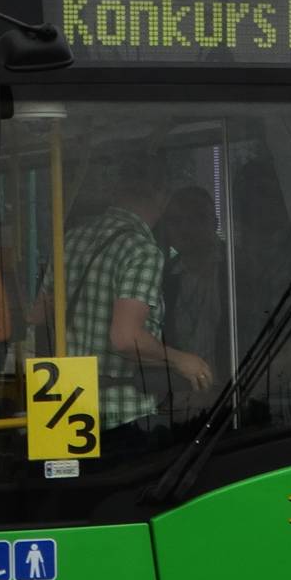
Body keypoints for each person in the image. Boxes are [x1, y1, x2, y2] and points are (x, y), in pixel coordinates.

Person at [42, 154, 213, 454]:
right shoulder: (141, 250)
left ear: (117, 189)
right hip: (120, 415)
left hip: (63, 408)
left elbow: (38, 317)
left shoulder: (71, 239)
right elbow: (125, 338)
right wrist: (181, 360)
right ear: (162, 195)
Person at [158, 185, 226, 387]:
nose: (186, 228)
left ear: (214, 223)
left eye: (197, 218)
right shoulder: (162, 277)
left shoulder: (240, 270)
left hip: (233, 394)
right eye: (176, 221)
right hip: (179, 401)